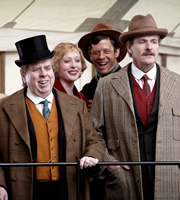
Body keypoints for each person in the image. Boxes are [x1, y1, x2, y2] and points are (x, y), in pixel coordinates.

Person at [0, 35, 105, 200]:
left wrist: (91, 155)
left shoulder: (76, 105)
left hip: (68, 187)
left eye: (47, 68)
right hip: (24, 189)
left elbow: (95, 141)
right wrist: (0, 184)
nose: (43, 74)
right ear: (24, 77)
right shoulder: (3, 108)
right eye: (36, 70)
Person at [90, 14, 180, 200]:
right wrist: (108, 162)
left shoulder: (177, 83)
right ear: (129, 48)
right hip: (124, 182)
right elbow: (93, 133)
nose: (149, 47)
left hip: (170, 181)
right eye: (142, 42)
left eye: (153, 41)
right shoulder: (107, 85)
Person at [78, 23, 127, 110]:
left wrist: (104, 113)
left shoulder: (130, 83)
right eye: (96, 52)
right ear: (90, 56)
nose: (101, 57)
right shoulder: (87, 90)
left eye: (106, 51)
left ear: (116, 52)